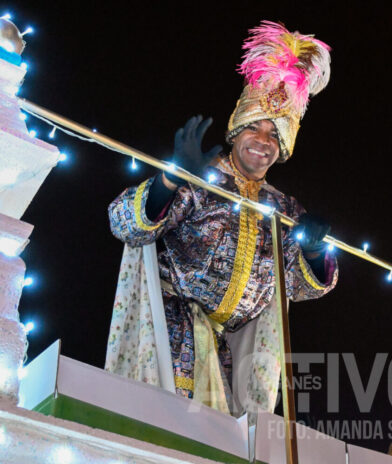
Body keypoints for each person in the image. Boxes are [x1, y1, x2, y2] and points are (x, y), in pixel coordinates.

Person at [105, 21, 337, 419]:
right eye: (256, 129)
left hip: (236, 354)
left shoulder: (284, 208)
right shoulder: (202, 179)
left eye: (275, 135)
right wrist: (172, 179)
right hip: (175, 334)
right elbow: (123, 222)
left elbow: (301, 287)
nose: (263, 142)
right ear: (236, 130)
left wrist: (315, 252)